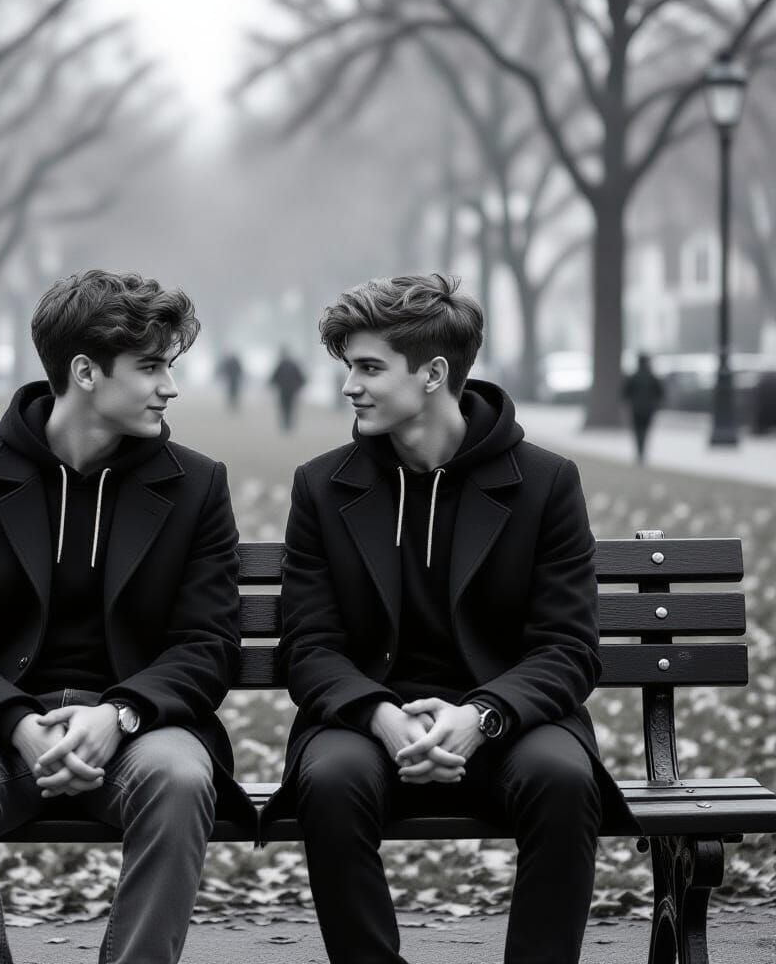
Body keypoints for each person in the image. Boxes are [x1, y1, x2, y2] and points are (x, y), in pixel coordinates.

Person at [0, 269, 254, 964]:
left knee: (182, 779)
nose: (169, 386)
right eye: (151, 367)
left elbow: (208, 644)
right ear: (84, 371)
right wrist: (17, 724)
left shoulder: (196, 484)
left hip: (142, 727)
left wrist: (120, 716)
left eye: (169, 365)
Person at [265, 273, 637, 964]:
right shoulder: (323, 485)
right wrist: (379, 713)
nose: (349, 386)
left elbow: (567, 648)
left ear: (434, 373)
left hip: (507, 720)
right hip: (365, 720)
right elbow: (311, 646)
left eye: (369, 368)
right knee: (330, 782)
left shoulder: (545, 482)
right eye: (349, 367)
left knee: (563, 779)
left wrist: (483, 715)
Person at [622, 353, 665, 464]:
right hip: (648, 409)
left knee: (637, 432)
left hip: (636, 409)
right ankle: (643, 453)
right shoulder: (652, 377)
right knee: (645, 431)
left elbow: (625, 393)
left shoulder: (634, 376)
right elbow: (660, 392)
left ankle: (639, 452)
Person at [269, 346, 307, 431]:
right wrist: (298, 386)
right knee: (290, 407)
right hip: (292, 390)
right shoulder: (294, 364)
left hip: (283, 390)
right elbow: (302, 378)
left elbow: (274, 377)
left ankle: (285, 424)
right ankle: (289, 424)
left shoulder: (280, 364)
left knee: (283, 407)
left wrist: (272, 384)